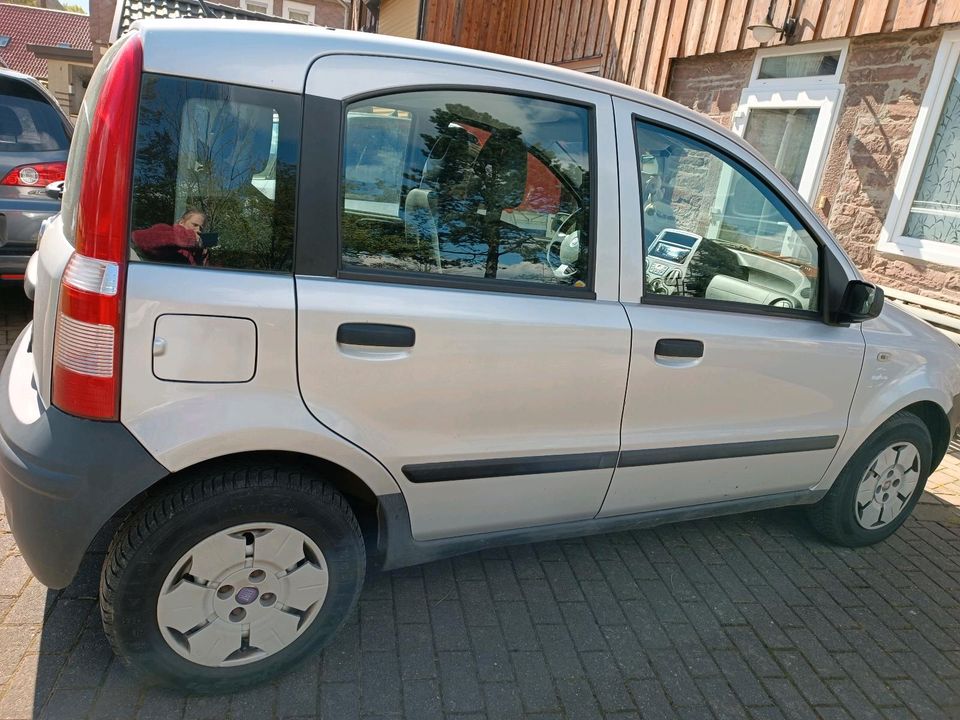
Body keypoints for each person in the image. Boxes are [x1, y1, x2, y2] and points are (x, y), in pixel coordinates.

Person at [132, 209, 208, 265]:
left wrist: (201, 255)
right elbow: (138, 237)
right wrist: (190, 237)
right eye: (194, 225)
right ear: (181, 222)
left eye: (201, 228)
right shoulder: (167, 230)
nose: (198, 230)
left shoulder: (196, 250)